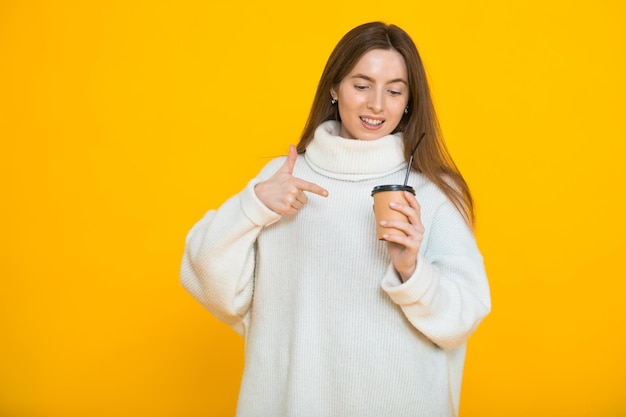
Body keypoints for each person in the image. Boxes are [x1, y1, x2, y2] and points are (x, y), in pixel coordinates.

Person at [180, 21, 491, 417]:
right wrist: (252, 206)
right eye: (361, 86)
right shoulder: (283, 179)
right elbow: (205, 277)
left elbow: (462, 319)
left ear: (409, 101)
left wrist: (412, 271)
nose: (377, 104)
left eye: (394, 91)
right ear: (334, 88)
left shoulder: (433, 191)